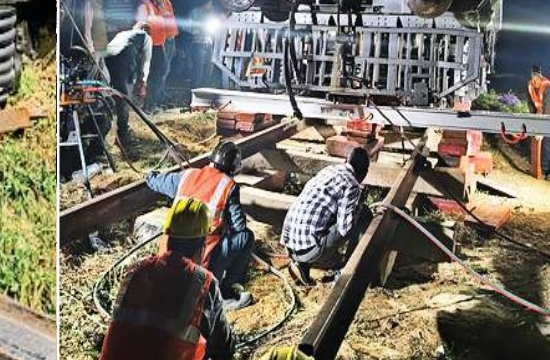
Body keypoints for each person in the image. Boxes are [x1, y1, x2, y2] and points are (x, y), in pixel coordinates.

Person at [99, 198, 236, 360]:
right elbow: (222, 347)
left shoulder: (136, 271)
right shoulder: (203, 282)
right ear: (202, 245)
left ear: (169, 239)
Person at [144, 141, 255, 310]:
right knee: (246, 237)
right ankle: (224, 292)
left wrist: (151, 174)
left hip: (167, 256)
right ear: (234, 168)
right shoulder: (229, 186)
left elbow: (154, 180)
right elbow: (239, 227)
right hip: (201, 260)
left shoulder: (187, 176)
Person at [280, 147, 373, 286]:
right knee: (364, 213)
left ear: (346, 161)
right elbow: (344, 228)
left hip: (290, 243)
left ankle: (301, 265)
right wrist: (356, 209)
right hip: (310, 250)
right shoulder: (352, 185)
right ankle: (347, 269)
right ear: (364, 174)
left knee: (325, 214)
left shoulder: (329, 170)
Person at [104, 22, 153, 145]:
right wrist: (143, 82)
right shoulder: (146, 37)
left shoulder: (123, 33)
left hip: (107, 59)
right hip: (124, 59)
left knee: (107, 95)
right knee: (124, 99)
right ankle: (123, 135)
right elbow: (146, 61)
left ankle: (104, 126)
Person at [137, 0, 178, 111]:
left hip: (159, 45)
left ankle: (152, 104)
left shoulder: (158, 7)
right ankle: (147, 106)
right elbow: (140, 25)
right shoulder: (145, 6)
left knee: (159, 74)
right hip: (150, 46)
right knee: (152, 76)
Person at [189, 0, 218, 87]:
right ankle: (196, 87)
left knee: (209, 65)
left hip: (208, 42)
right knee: (198, 66)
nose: (211, 6)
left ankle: (205, 86)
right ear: (204, 3)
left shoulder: (209, 13)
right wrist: (200, 30)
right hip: (198, 42)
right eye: (209, 3)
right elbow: (191, 28)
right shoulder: (194, 12)